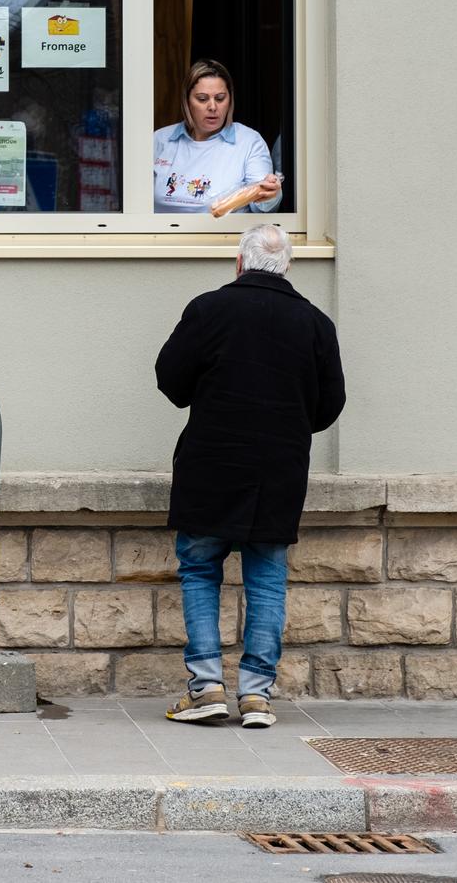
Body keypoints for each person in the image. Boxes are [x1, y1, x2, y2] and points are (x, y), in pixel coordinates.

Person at [153, 224, 345, 728]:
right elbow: (329, 406)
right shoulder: (315, 322)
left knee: (199, 570)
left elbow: (171, 382)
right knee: (267, 579)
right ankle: (257, 695)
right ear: (287, 267)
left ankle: (207, 687)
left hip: (211, 463)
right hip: (278, 469)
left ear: (240, 262)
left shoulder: (208, 310)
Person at [153, 58, 282, 214]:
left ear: (230, 100)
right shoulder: (161, 139)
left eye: (220, 98)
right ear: (187, 101)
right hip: (159, 236)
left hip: (224, 236)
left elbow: (261, 207)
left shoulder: (248, 141)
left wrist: (270, 194)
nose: (212, 107)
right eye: (202, 99)